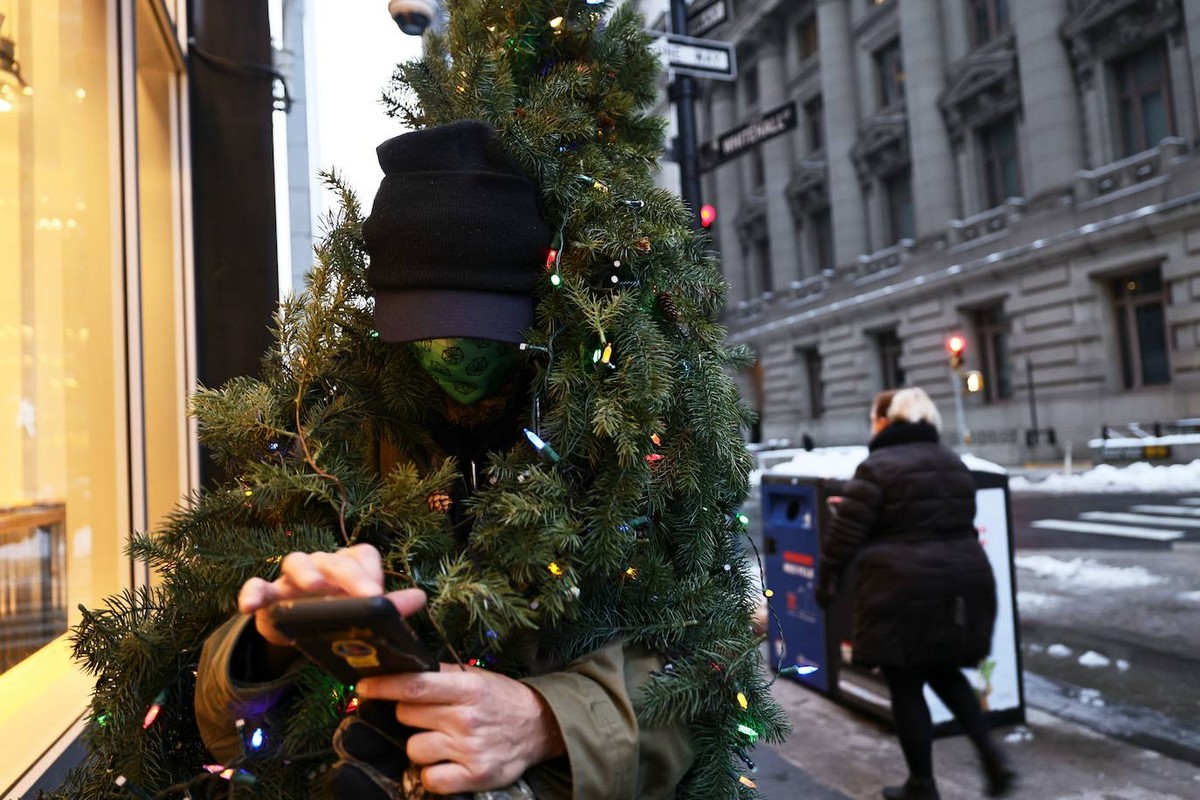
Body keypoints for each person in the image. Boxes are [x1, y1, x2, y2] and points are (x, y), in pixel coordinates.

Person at [193, 120, 692, 799]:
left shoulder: (627, 438)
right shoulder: (327, 443)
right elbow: (219, 724)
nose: (454, 352)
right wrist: (270, 640)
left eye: (481, 324)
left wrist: (547, 721)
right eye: (426, 324)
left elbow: (707, 664)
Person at [816, 387, 1015, 800]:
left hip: (901, 585)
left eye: (875, 417)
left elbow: (846, 533)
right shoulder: (952, 461)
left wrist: (827, 576)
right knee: (944, 669)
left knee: (905, 681)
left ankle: (922, 785)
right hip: (961, 581)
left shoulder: (877, 466)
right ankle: (991, 755)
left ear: (887, 421)